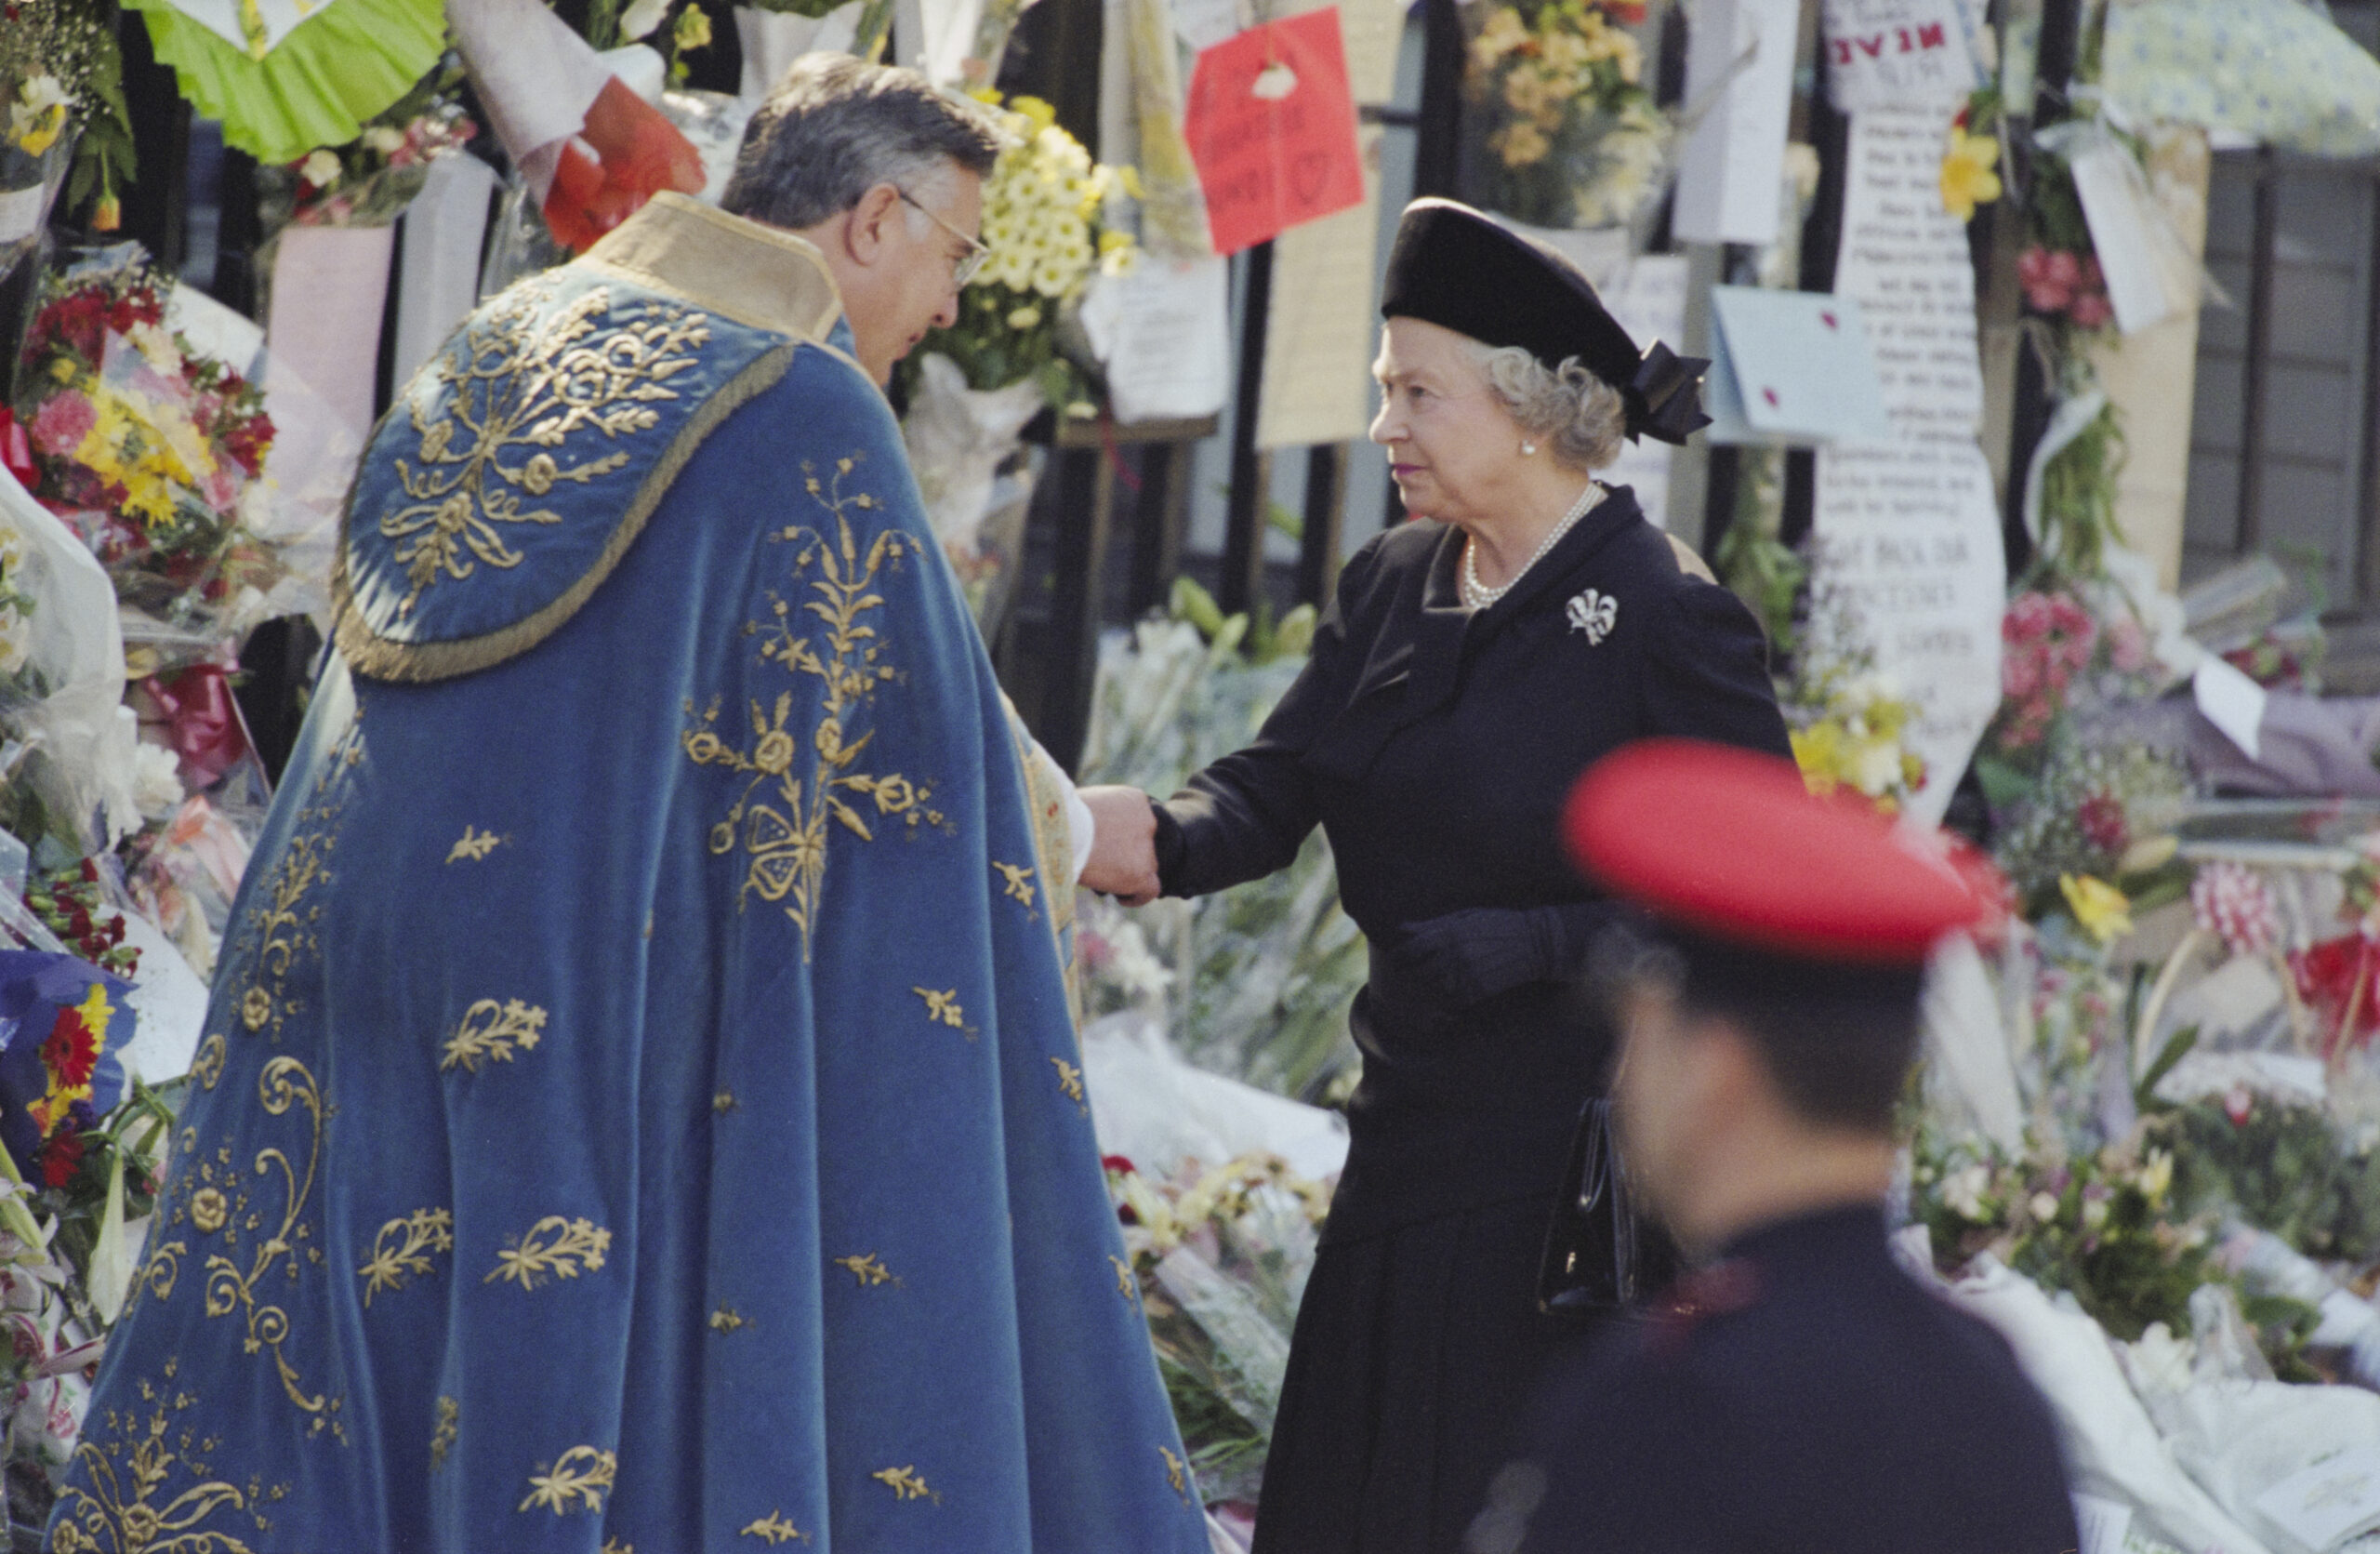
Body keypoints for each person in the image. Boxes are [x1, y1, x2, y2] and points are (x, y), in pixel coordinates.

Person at [52, 57, 1208, 1554]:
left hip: (345, 979)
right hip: (595, 1023)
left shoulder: (510, 332)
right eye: (957, 256)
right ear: (872, 219)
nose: (945, 306)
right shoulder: (803, 410)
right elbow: (916, 782)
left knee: (343, 1389)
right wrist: (1076, 830)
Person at [1078, 197, 1793, 1554]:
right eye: (1381, 386)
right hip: (1403, 1156)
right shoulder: (1399, 576)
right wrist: (1132, 833)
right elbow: (1274, 787)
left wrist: (1544, 939)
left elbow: (1759, 900)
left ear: (1530, 409)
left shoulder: (1664, 613)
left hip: (1570, 1196)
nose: (1384, 426)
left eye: (1418, 391)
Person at [1474, 737, 2078, 1554]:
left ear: (1716, 1072)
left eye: (1638, 1036)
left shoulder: (1669, 1409)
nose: (1623, 1080)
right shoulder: (1997, 1401)